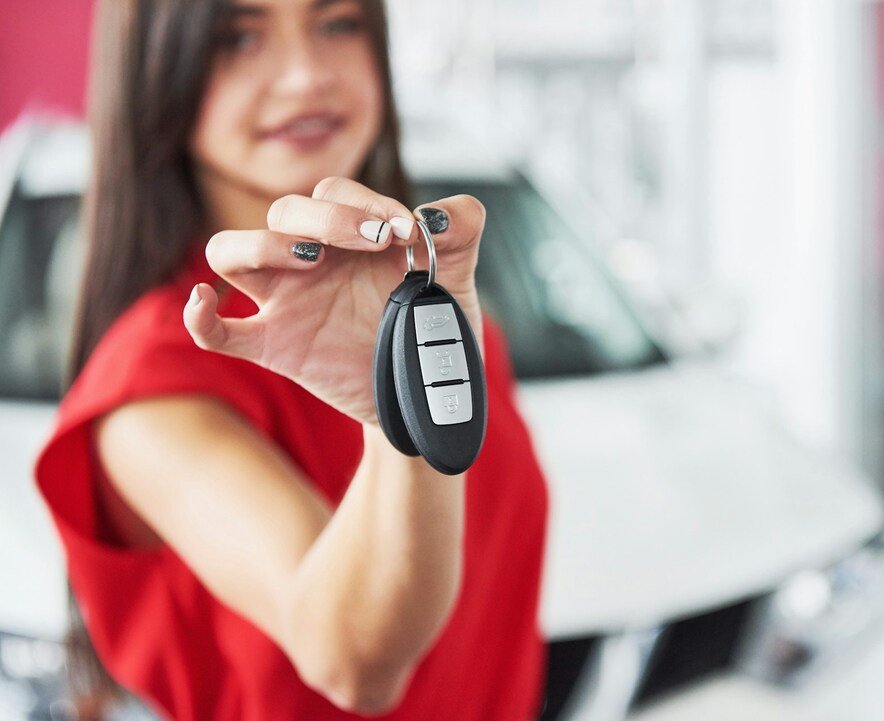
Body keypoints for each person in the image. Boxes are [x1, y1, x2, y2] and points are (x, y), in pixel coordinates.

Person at [31, 1, 550, 719]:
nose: (306, 76)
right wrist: (392, 407)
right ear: (157, 73)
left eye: (339, 24)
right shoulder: (149, 382)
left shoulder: (457, 322)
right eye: (239, 38)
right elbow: (354, 661)